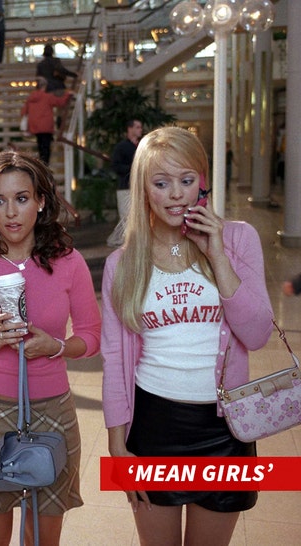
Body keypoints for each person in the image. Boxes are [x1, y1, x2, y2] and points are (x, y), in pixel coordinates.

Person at [101, 127, 274, 546]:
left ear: (203, 180)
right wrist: (117, 446)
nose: (176, 194)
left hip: (225, 430)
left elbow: (257, 334)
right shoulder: (122, 264)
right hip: (154, 427)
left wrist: (217, 254)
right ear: (143, 189)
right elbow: (114, 359)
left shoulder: (237, 239)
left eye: (186, 179)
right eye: (161, 183)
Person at [0, 150, 101, 545]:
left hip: (52, 411)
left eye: (22, 198)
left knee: (42, 538)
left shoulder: (68, 263)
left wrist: (56, 347)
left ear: (41, 201)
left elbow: (91, 337)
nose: (11, 212)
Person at [106, 118, 143, 248]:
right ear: (130, 129)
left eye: (140, 127)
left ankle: (129, 242)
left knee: (136, 217)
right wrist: (133, 168)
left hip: (140, 187)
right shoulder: (121, 147)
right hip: (125, 187)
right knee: (126, 217)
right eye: (137, 127)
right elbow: (115, 166)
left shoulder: (141, 146)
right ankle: (125, 243)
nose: (140, 130)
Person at [20, 76, 72, 166]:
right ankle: (45, 166)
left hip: (35, 126)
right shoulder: (47, 97)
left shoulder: (30, 97)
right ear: (45, 86)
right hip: (46, 126)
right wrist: (68, 94)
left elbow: (23, 112)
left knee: (41, 146)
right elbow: (61, 102)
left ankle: (42, 165)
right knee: (46, 148)